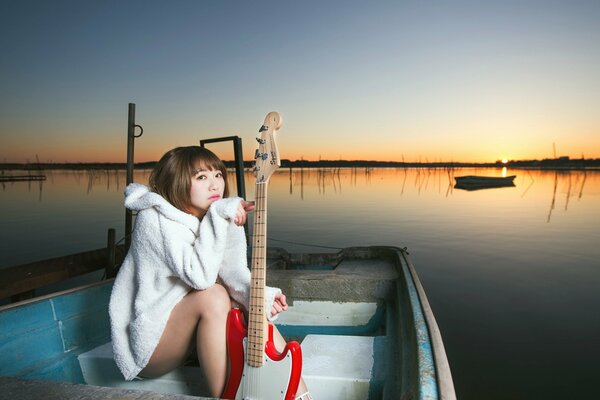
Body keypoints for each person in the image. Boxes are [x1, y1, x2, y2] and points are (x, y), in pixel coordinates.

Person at [109, 146, 311, 399]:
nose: (215, 185)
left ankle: (300, 394)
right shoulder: (154, 219)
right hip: (151, 347)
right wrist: (219, 215)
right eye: (201, 177)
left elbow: (234, 273)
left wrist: (262, 297)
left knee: (248, 302)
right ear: (177, 182)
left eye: (218, 175)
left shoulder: (214, 214)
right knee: (214, 294)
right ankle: (226, 396)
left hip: (186, 334)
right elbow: (201, 277)